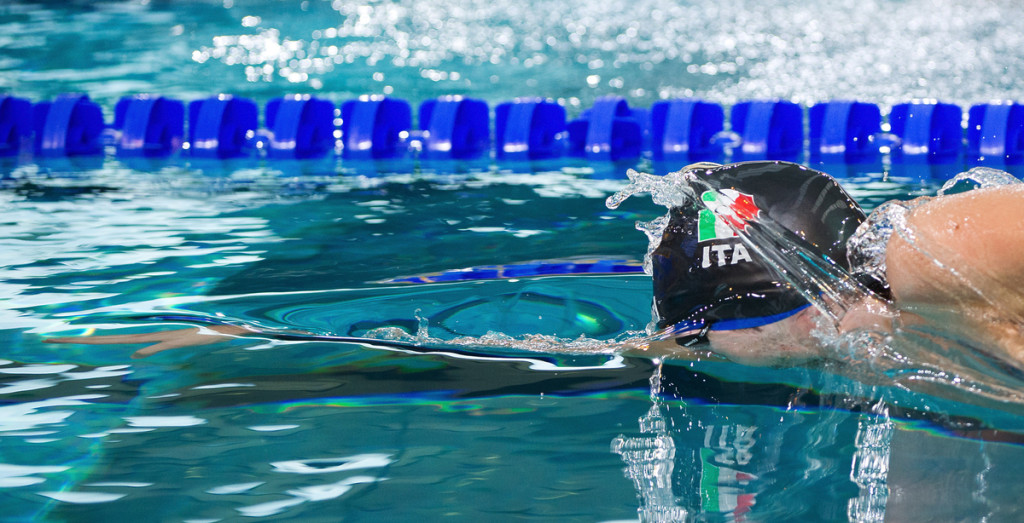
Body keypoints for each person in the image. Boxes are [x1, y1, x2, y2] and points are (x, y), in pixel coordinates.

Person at [47, 161, 1024, 371]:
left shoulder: (921, 263)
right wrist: (245, 351)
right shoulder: (873, 297)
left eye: (706, 335)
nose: (681, 353)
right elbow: (560, 360)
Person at [642, 161, 1024, 371]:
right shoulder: (919, 323)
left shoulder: (928, 249)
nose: (704, 350)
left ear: (750, 322)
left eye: (701, 339)